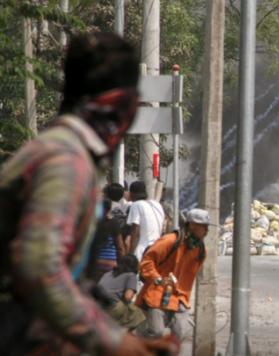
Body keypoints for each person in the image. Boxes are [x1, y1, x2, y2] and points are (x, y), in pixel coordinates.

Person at [0, 32, 176, 355]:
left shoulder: (61, 151)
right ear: (119, 107)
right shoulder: (65, 162)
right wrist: (114, 341)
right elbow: (40, 268)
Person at [136, 208, 209, 341]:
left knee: (178, 336)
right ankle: (133, 340)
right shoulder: (170, 241)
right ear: (191, 225)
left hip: (180, 297)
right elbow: (147, 262)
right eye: (203, 226)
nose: (206, 230)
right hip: (158, 294)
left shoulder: (201, 250)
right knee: (156, 332)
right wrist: (158, 279)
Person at [98, 254, 146, 331]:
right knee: (137, 312)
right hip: (111, 308)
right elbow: (128, 296)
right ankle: (121, 334)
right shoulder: (131, 275)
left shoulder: (108, 273)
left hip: (97, 305)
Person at [87, 198, 125, 281]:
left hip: (96, 262)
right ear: (110, 209)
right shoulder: (114, 223)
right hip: (110, 264)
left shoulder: (94, 222)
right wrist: (122, 264)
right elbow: (120, 246)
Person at [127, 180, 165, 261]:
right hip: (158, 249)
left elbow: (135, 231)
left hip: (143, 250)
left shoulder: (136, 205)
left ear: (131, 194)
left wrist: (130, 254)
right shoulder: (157, 205)